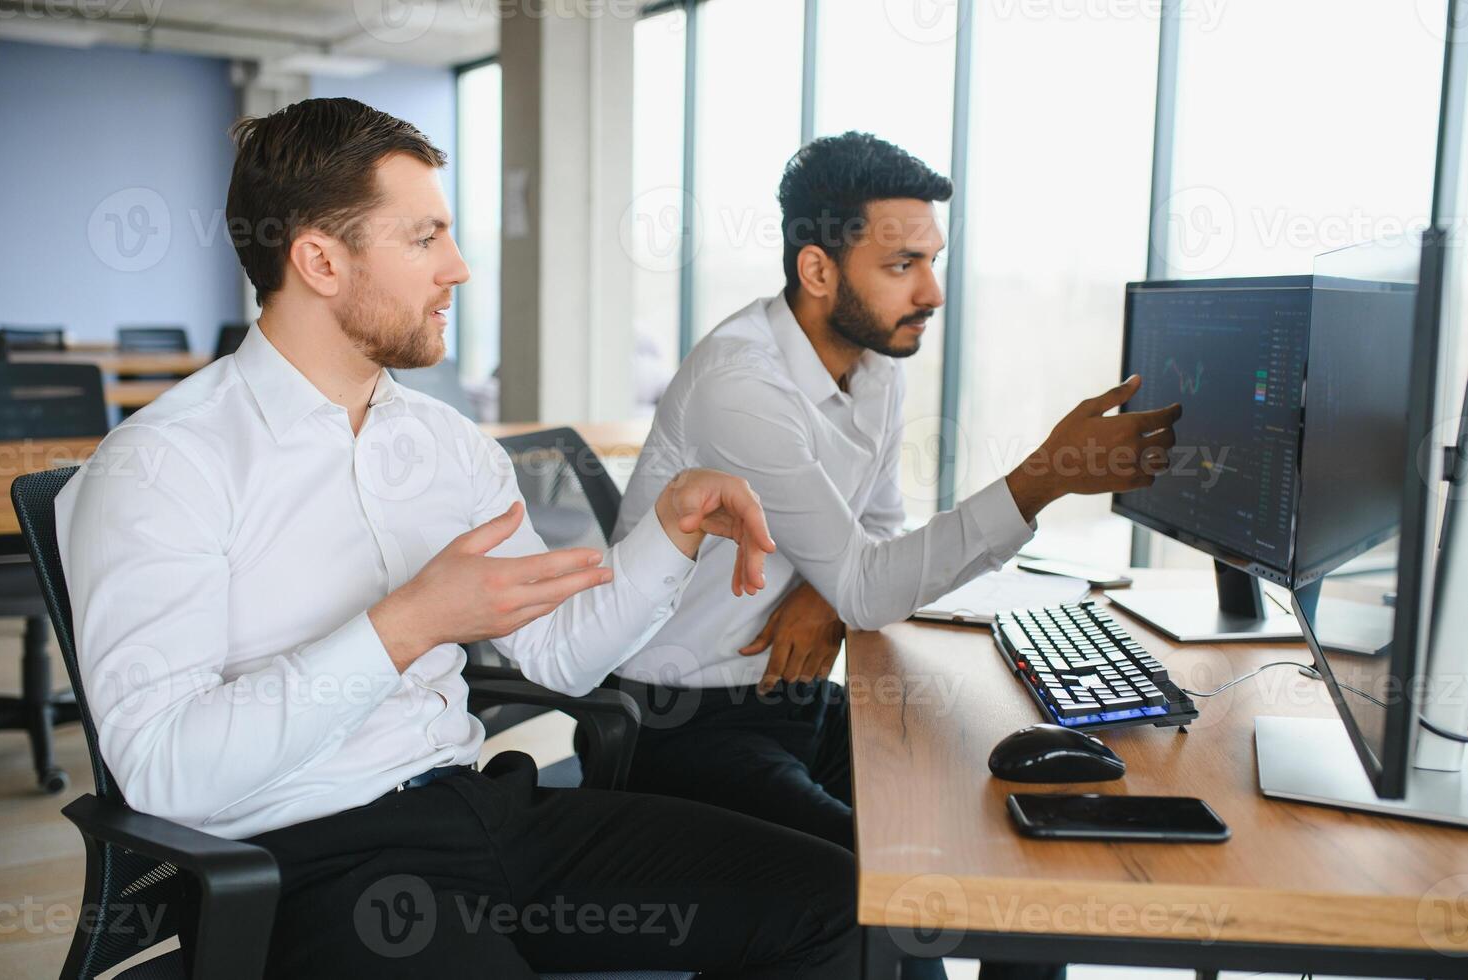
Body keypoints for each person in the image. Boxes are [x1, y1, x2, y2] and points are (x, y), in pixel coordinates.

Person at [57, 98, 860, 978]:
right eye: (424, 239)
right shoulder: (164, 466)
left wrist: (668, 535)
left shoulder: (444, 445)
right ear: (320, 260)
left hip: (480, 813)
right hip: (312, 863)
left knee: (843, 907)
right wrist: (406, 625)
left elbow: (559, 658)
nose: (460, 268)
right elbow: (163, 774)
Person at [606, 131, 1182, 980]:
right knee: (902, 895)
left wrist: (831, 593)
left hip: (793, 699)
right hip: (686, 723)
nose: (932, 291)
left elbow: (875, 539)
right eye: (902, 265)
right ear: (817, 271)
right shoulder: (742, 384)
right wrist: (1044, 477)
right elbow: (873, 579)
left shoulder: (874, 368)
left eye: (933, 260)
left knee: (1010, 834)